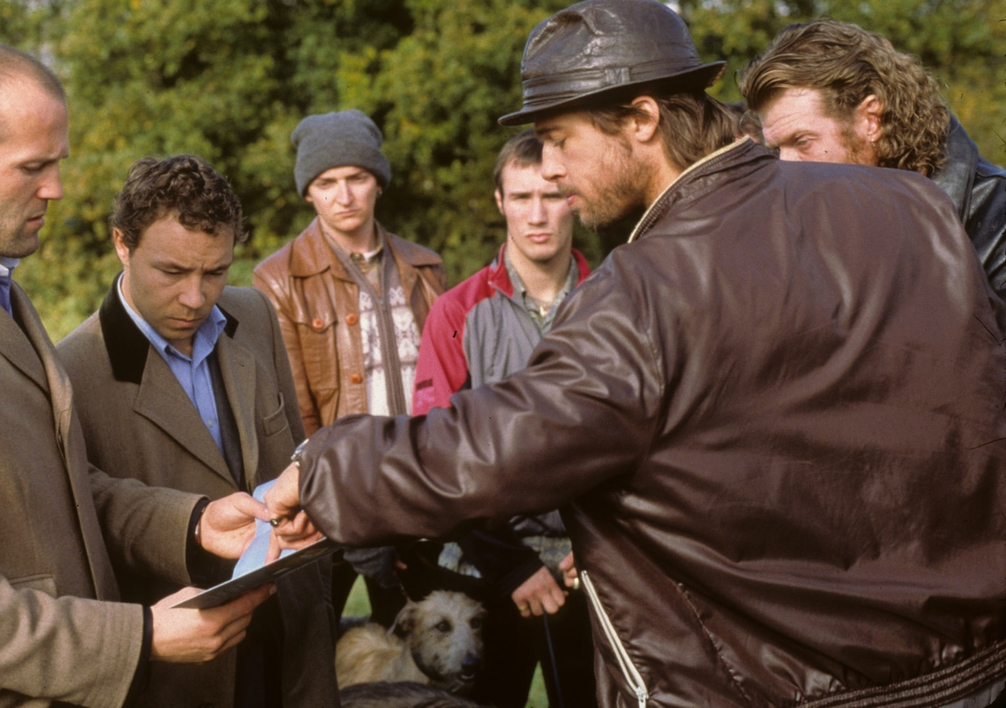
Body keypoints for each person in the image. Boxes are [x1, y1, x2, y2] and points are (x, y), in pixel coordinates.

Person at [263, 1, 1006, 706]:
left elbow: (494, 443)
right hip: (970, 670)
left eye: (561, 139)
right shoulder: (913, 206)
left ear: (643, 119)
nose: (550, 170)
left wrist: (320, 466)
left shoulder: (643, 290)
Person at [0, 40, 276, 707]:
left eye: (58, 163)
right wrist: (140, 636)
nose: (57, 188)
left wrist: (192, 524)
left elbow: (57, 490)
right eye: (32, 167)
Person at [57, 155, 338, 707]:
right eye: (172, 272)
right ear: (122, 243)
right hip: (187, 674)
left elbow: (290, 454)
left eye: (215, 272)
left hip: (295, 641)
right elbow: (90, 529)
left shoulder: (254, 312)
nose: (196, 297)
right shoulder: (69, 373)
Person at [409, 129, 595, 708]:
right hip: (484, 563)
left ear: (577, 198)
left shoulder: (620, 298)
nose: (536, 215)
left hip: (590, 564)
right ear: (499, 203)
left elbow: (652, 441)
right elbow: (435, 455)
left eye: (552, 195)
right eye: (521, 197)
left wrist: (600, 546)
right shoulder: (457, 312)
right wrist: (509, 564)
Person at [253, 109, 447, 626]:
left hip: (420, 489)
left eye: (357, 178)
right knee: (315, 653)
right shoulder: (278, 278)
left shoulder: (426, 268)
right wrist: (331, 500)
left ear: (378, 183)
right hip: (332, 496)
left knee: (420, 655)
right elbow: (293, 408)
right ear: (308, 192)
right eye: (327, 182)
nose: (344, 195)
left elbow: (449, 384)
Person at [738, 18, 1006, 298]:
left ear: (871, 118)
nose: (784, 166)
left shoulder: (996, 219)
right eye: (776, 148)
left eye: (802, 141)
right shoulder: (803, 222)